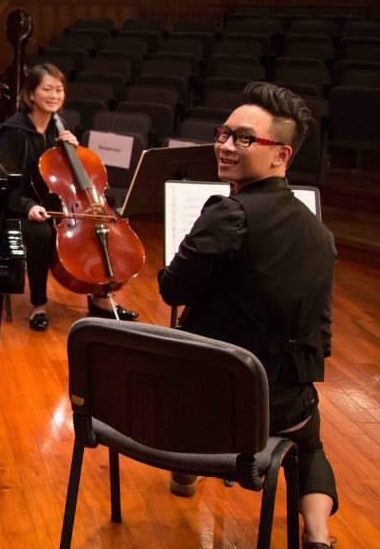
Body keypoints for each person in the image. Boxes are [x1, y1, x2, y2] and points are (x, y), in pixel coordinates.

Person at [158, 83, 337, 549]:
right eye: (224, 134)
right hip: (281, 405)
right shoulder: (322, 236)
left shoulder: (227, 214)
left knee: (187, 364)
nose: (224, 146)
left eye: (243, 138)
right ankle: (318, 533)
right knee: (311, 441)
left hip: (211, 403)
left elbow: (172, 288)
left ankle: (185, 475)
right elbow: (320, 331)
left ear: (280, 155)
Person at [0, 63, 139, 331]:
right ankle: (38, 303)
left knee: (100, 228)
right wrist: (27, 206)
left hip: (63, 208)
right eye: (47, 89)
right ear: (30, 95)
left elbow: (71, 180)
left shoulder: (59, 131)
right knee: (41, 234)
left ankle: (102, 298)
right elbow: (3, 183)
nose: (54, 95)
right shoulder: (10, 132)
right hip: (19, 206)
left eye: (59, 90)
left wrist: (75, 152)